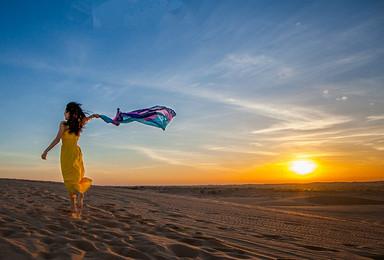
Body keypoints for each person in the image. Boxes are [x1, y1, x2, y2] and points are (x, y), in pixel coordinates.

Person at [42, 102, 99, 217]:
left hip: (67, 154)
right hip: (76, 153)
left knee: (69, 180)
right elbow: (86, 119)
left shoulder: (63, 124)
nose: (64, 113)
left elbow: (57, 139)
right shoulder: (78, 124)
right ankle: (73, 209)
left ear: (69, 113)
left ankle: (79, 193)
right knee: (75, 179)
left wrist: (46, 150)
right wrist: (94, 116)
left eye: (66, 111)